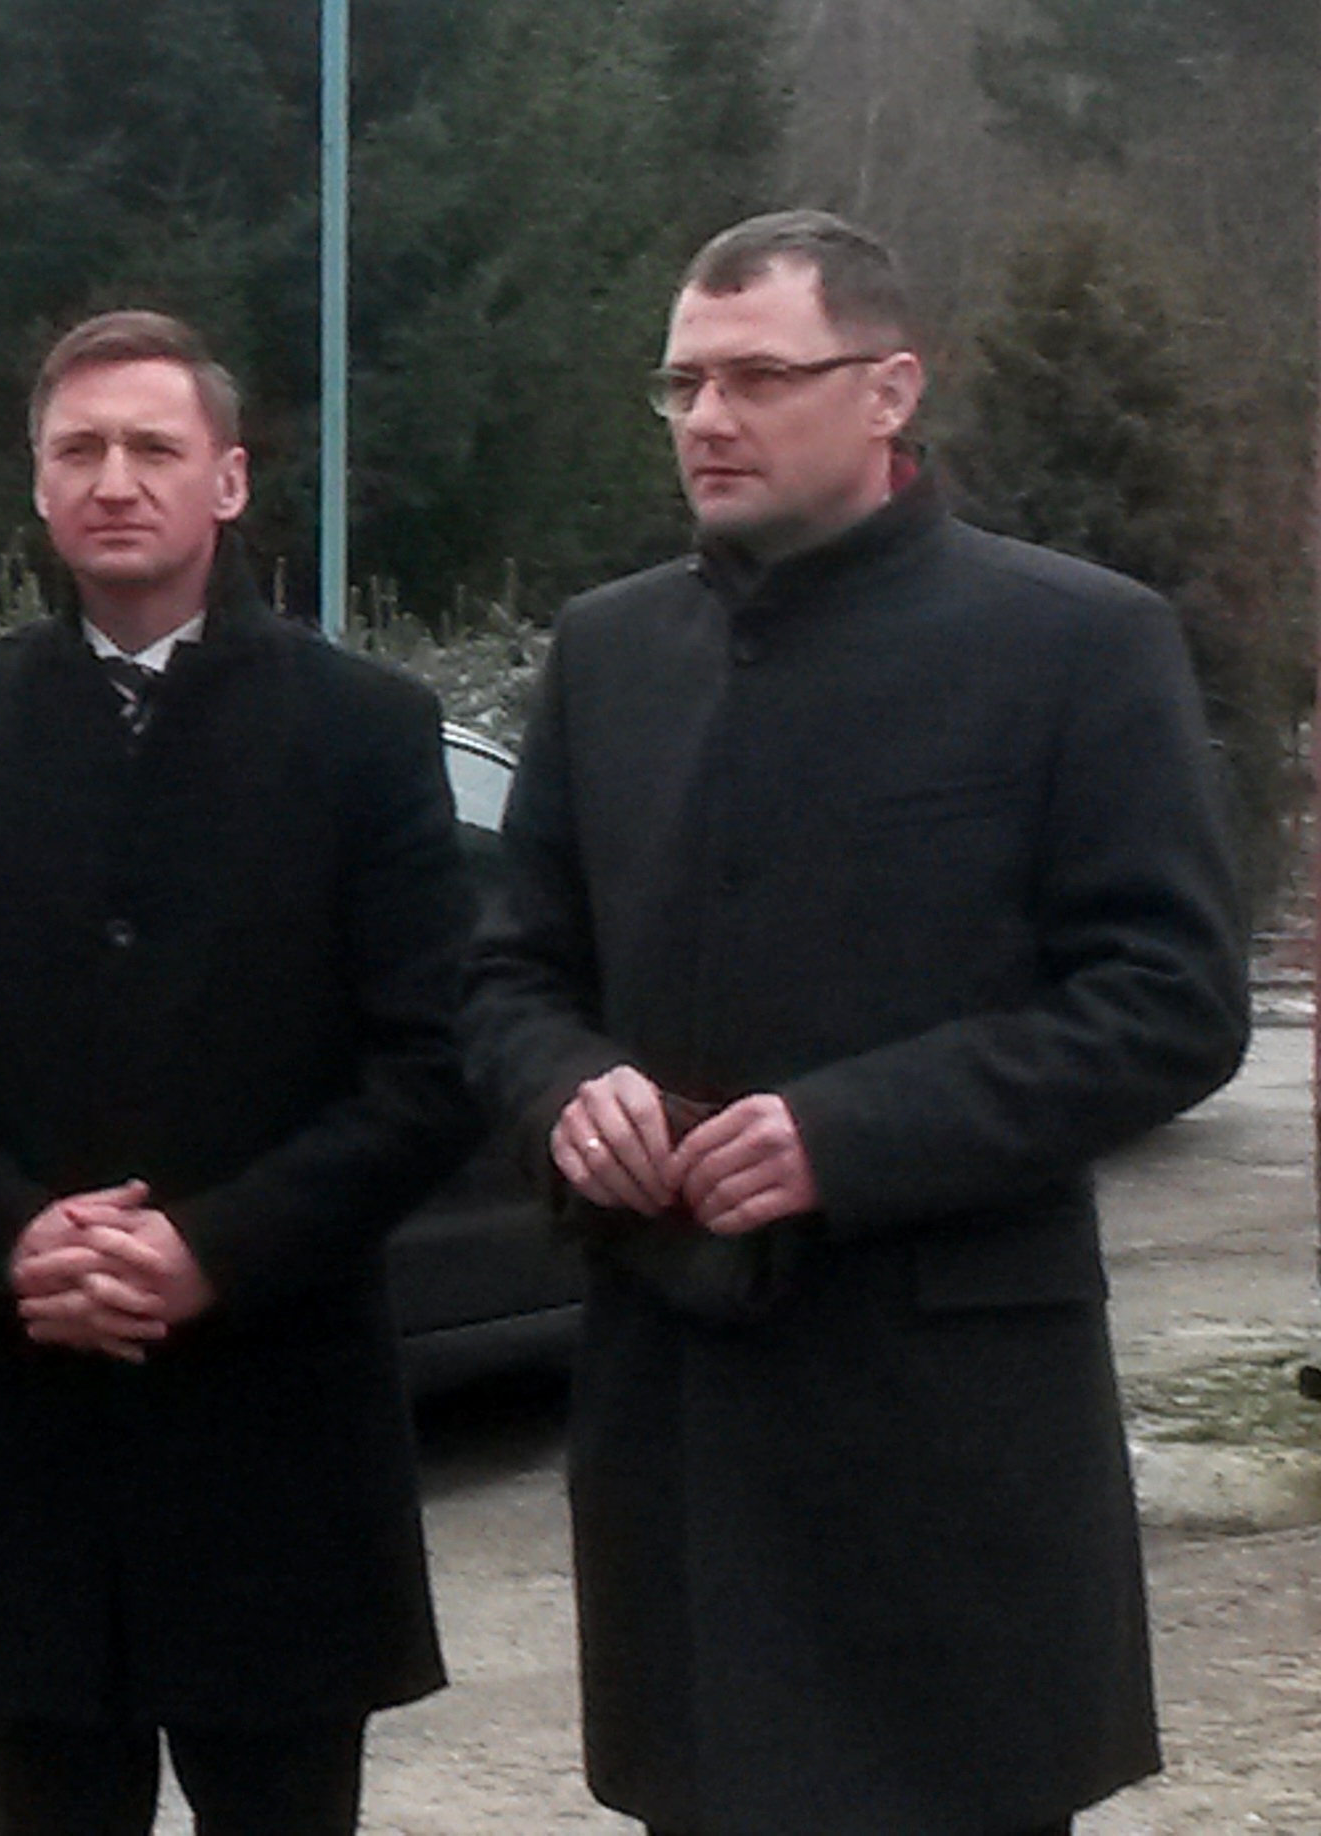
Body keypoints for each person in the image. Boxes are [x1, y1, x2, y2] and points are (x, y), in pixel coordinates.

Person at [465, 209, 1251, 1835]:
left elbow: (1172, 1001)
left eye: (758, 377)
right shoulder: (611, 652)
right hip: (684, 1409)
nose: (708, 418)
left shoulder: (1075, 641)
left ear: (891, 390)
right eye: (682, 383)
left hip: (950, 1429)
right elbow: (508, 973)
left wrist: (848, 1134)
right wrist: (566, 1088)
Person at [0, 309, 480, 1834]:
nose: (114, 480)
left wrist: (213, 1250)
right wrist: (13, 1236)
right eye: (80, 449)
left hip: (277, 1416)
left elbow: (434, 1062)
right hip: (32, 1410)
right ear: (38, 484)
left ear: (229, 481)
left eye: (152, 448)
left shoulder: (364, 732)